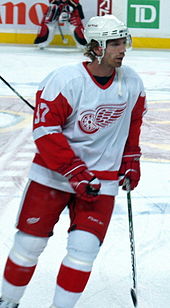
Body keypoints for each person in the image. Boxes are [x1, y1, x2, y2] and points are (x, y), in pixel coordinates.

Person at [0, 14, 146, 308]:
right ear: (95, 47)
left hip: (101, 181)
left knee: (84, 250)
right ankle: (7, 302)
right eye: (114, 44)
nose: (122, 49)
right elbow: (45, 131)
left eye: (123, 42)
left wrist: (131, 160)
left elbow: (132, 126)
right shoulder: (64, 80)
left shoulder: (131, 82)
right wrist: (74, 171)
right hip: (51, 177)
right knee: (28, 245)